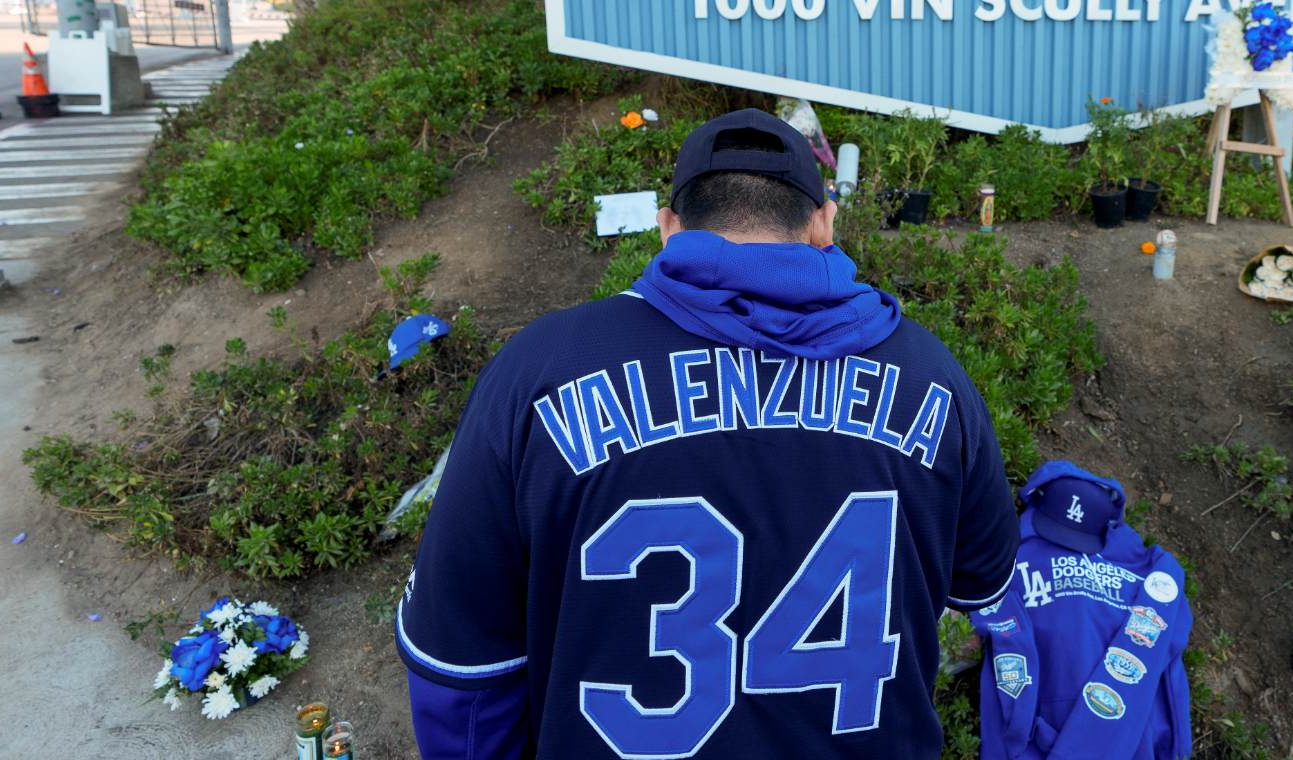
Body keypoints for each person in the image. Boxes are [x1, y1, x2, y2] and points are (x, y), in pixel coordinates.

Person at [396, 108, 1020, 758]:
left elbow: (460, 674)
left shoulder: (537, 371)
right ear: (823, 220)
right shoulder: (932, 377)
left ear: (668, 227)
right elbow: (979, 583)